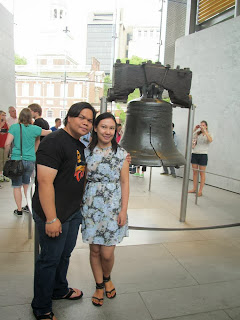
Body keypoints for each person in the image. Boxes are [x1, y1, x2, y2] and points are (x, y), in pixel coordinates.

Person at [31, 102, 96, 320]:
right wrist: (51, 219)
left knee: (64, 255)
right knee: (49, 259)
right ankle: (41, 307)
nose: (86, 123)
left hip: (71, 212)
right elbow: (44, 182)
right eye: (82, 118)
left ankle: (59, 289)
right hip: (53, 214)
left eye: (90, 120)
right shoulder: (53, 142)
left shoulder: (78, 144)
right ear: (69, 117)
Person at [81, 112, 129, 307]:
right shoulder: (85, 151)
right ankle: (99, 285)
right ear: (95, 128)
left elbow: (125, 183)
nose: (107, 131)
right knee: (94, 250)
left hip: (113, 207)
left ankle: (107, 277)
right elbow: (82, 180)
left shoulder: (122, 154)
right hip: (90, 207)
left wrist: (124, 210)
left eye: (111, 128)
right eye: (103, 127)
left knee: (107, 253)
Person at [4, 108, 51, 216]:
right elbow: (49, 132)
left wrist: (7, 155)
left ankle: (19, 210)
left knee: (16, 186)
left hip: (16, 160)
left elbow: (7, 144)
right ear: (30, 118)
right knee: (27, 184)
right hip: (30, 160)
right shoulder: (35, 129)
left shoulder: (14, 127)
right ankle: (30, 206)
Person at [188, 120, 213, 196]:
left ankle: (200, 191)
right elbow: (190, 136)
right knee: (195, 172)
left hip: (203, 154)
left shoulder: (209, 133)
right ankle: (194, 188)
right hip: (195, 153)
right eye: (200, 125)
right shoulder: (197, 133)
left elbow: (210, 140)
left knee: (202, 173)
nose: (201, 126)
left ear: (206, 126)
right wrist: (195, 129)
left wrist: (205, 132)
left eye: (203, 125)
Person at [0, 111, 10, 184]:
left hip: (5, 144)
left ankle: (4, 174)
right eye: (3, 115)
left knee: (5, 159)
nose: (4, 116)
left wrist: (6, 122)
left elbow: (10, 129)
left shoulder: (6, 123)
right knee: (0, 160)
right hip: (0, 144)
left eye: (5, 115)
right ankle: (0, 174)